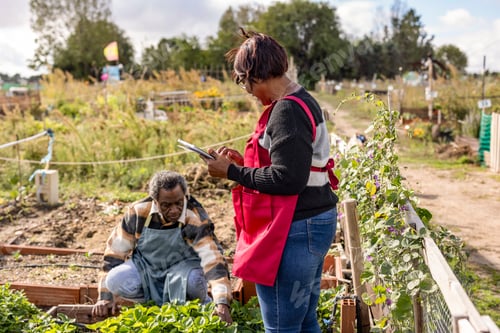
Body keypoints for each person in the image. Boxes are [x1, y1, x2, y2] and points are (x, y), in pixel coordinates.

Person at [204, 29, 339, 332]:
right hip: (314, 221)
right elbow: (290, 164)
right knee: (304, 321)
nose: (248, 92)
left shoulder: (286, 111)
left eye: (243, 82)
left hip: (296, 228)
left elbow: (288, 178)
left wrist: (232, 173)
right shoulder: (301, 99)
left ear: (255, 75)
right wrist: (241, 163)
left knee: (280, 326)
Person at [91, 170, 232, 324]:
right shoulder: (138, 212)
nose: (174, 210)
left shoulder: (194, 217)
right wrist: (104, 298)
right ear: (155, 201)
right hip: (147, 268)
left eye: (179, 203)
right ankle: (152, 306)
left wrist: (222, 302)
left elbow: (213, 260)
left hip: (184, 270)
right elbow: (114, 254)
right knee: (115, 280)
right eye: (166, 205)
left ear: (185, 196)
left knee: (194, 283)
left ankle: (200, 305)